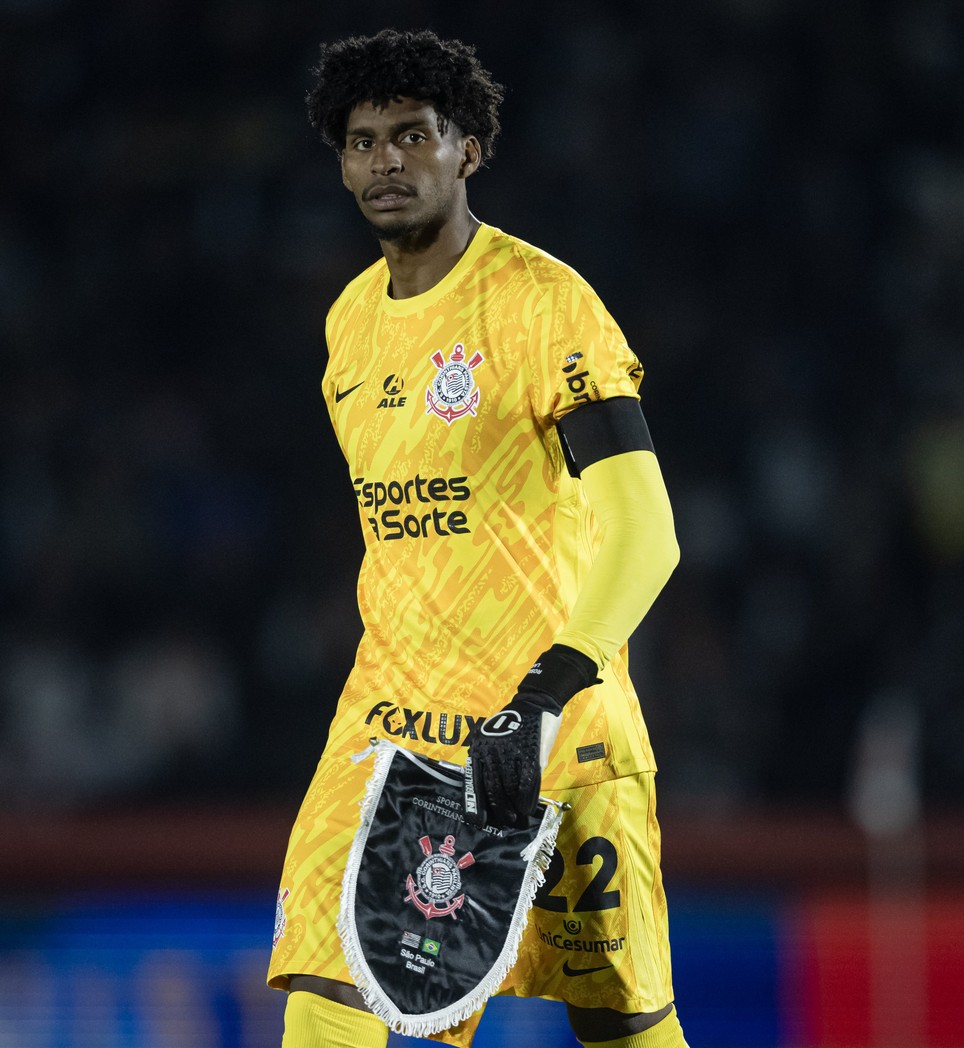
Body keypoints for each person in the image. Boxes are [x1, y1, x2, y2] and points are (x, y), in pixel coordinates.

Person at [268, 28, 689, 1048]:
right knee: (327, 1014)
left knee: (626, 1030)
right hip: (386, 736)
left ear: (469, 148)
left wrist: (551, 687)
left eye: (413, 135)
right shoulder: (346, 331)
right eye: (364, 140)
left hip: (549, 738)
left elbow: (648, 528)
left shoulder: (547, 307)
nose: (387, 161)